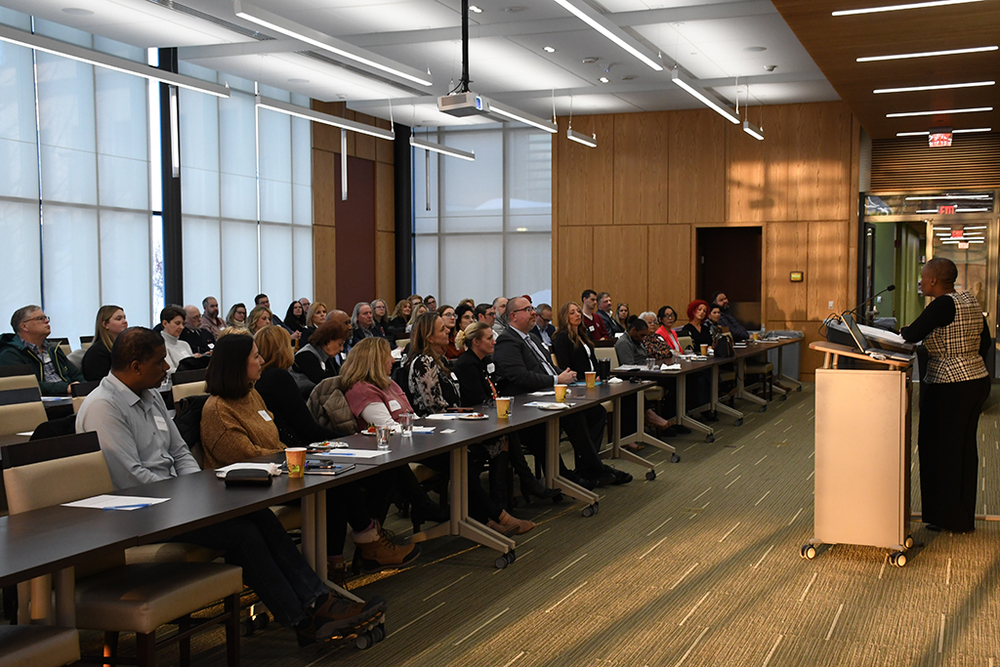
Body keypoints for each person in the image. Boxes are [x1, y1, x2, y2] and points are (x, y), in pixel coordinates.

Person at [75, 327, 386, 645]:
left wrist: (192, 490)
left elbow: (180, 451)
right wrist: (187, 498)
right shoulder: (104, 408)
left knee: (261, 516)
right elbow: (131, 479)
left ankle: (318, 602)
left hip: (177, 501)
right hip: (140, 515)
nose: (167, 368)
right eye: (159, 362)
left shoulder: (149, 396)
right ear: (136, 366)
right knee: (241, 534)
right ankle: (302, 619)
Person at [201, 333, 419, 576]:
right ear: (237, 365)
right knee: (335, 485)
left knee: (339, 479)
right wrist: (296, 457)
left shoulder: (251, 395)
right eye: (255, 356)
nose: (262, 360)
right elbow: (247, 456)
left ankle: (342, 558)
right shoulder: (218, 409)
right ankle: (363, 547)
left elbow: (274, 439)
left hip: (279, 469)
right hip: (252, 484)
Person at [493, 296, 631, 488]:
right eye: (528, 309)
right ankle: (591, 469)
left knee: (596, 412)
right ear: (514, 316)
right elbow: (520, 377)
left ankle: (587, 469)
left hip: (551, 393)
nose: (533, 312)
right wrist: (557, 379)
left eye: (533, 308)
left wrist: (564, 374)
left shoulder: (532, 337)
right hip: (527, 404)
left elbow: (547, 367)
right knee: (575, 415)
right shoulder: (507, 340)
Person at [901, 257, 990, 533]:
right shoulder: (969, 299)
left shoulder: (942, 304)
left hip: (949, 386)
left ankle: (946, 517)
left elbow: (912, 333)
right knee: (963, 450)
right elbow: (984, 341)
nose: (921, 281)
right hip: (976, 380)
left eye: (923, 276)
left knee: (940, 451)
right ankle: (960, 517)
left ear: (934, 280)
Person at [338, 338, 450, 529]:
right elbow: (387, 426)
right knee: (445, 459)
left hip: (411, 444)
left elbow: (411, 416)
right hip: (388, 450)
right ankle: (481, 512)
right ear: (374, 360)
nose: (392, 360)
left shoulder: (389, 384)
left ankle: (476, 511)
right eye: (388, 356)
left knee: (457, 455)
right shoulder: (361, 389)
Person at [453, 322, 560, 503]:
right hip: (472, 423)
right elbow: (478, 400)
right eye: (489, 338)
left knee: (515, 432)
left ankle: (515, 490)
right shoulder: (467, 365)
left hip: (491, 417)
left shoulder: (486, 361)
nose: (494, 342)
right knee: (508, 434)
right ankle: (516, 489)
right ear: (476, 342)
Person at [253, 326, 339, 448]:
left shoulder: (260, 378)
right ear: (283, 349)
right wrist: (344, 438)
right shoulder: (278, 377)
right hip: (293, 449)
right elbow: (307, 428)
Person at [0, 306, 84, 396]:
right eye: (40, 318)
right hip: (42, 403)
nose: (46, 321)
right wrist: (65, 388)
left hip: (70, 397)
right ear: (24, 326)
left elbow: (76, 375)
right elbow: (26, 385)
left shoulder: (53, 349)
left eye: (46, 318)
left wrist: (84, 388)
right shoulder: (10, 354)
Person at [680, 300, 716, 422]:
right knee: (703, 376)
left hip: (708, 359)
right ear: (693, 311)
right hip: (694, 361)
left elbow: (712, 343)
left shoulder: (706, 329)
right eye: (699, 309)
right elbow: (689, 348)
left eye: (704, 311)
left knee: (711, 372)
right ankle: (704, 408)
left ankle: (710, 405)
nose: (701, 313)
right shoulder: (687, 329)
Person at [293, 319, 353, 390]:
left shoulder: (327, 355)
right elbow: (324, 384)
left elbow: (339, 374)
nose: (341, 349)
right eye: (340, 344)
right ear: (327, 342)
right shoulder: (306, 355)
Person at [81, 305, 128, 382]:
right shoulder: (97, 353)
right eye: (119, 319)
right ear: (105, 324)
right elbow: (101, 383)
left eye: (124, 318)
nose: (125, 321)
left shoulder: (122, 348)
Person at [160, 305, 197, 374]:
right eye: (177, 323)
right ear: (165, 323)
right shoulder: (160, 346)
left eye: (183, 324)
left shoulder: (185, 345)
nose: (182, 327)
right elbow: (169, 372)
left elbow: (194, 366)